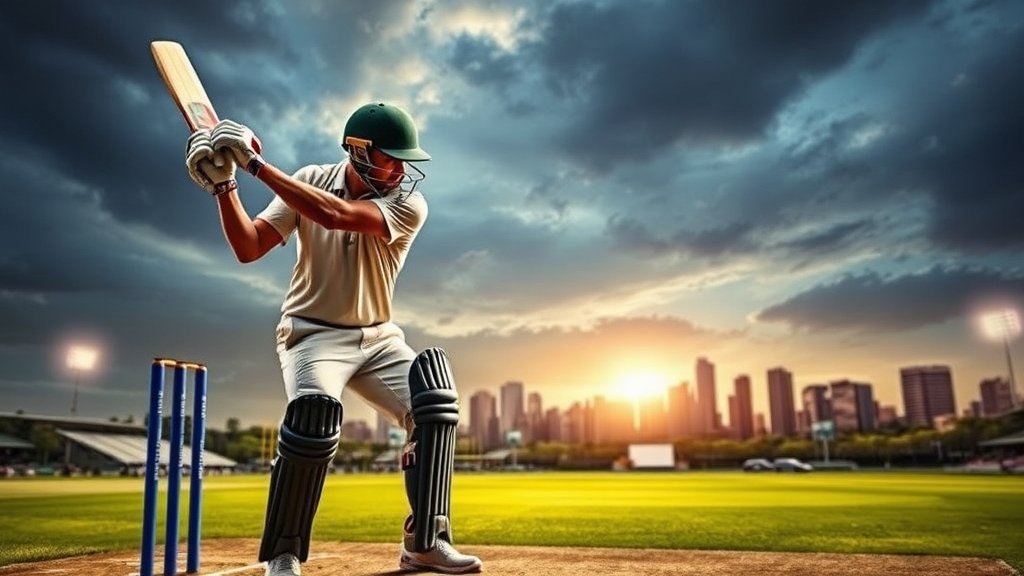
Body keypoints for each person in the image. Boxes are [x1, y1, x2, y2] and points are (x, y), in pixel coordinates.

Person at [184, 102, 483, 576]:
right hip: (312, 335)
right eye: (393, 157)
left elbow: (338, 215)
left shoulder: (409, 203)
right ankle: (283, 554)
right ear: (359, 151)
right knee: (313, 418)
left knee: (435, 407)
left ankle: (425, 542)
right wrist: (226, 187)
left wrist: (255, 164)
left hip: (379, 338)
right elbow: (249, 246)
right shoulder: (311, 179)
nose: (403, 169)